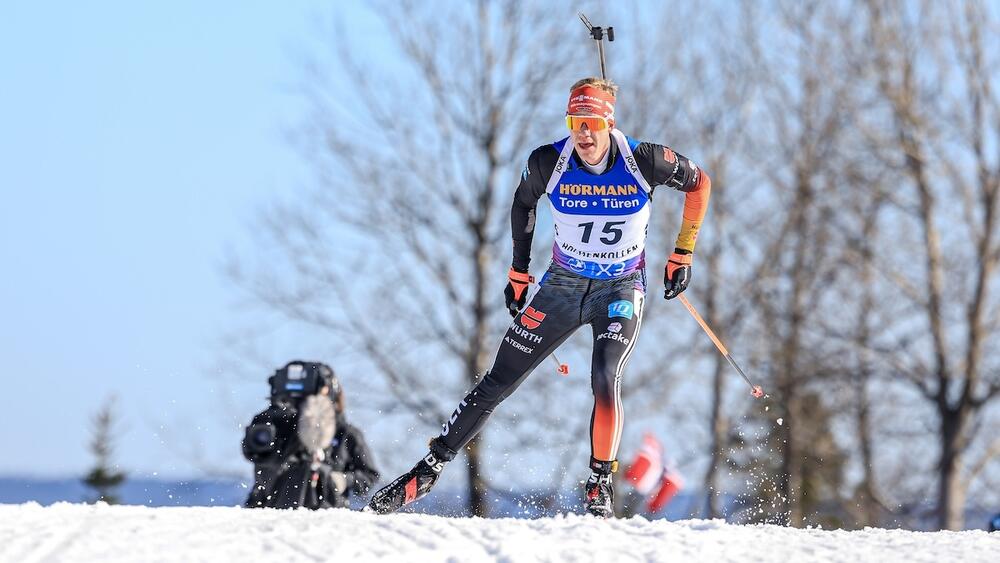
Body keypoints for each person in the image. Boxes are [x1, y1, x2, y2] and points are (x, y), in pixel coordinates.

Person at [368, 77, 711, 517]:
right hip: (562, 288)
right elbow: (522, 204)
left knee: (605, 375)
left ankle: (599, 483)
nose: (583, 134)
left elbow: (700, 185)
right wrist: (518, 270)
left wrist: (683, 253)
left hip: (619, 288)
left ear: (608, 122)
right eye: (575, 122)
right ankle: (428, 469)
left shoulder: (645, 159)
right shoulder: (550, 160)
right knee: (498, 380)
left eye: (590, 123)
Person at [243, 360, 379, 509]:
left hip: (326, 514)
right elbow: (254, 453)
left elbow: (369, 476)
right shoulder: (273, 423)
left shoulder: (345, 434)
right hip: (267, 510)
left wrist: (344, 480)